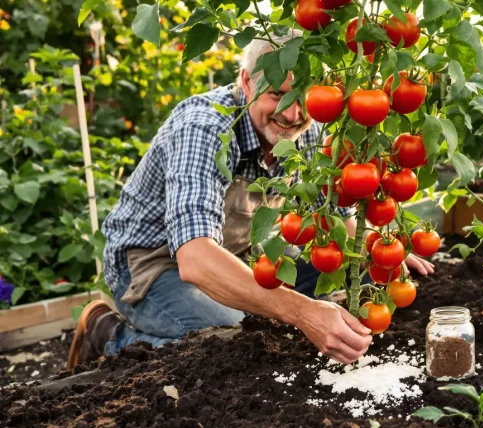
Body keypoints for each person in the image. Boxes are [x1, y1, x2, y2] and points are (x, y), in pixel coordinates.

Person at [67, 32, 435, 370]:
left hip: (238, 251)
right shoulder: (203, 127)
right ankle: (109, 334)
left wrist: (380, 256)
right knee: (237, 337)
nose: (292, 115)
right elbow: (194, 258)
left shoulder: (309, 125)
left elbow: (337, 214)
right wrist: (302, 312)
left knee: (303, 293)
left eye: (302, 96)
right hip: (152, 264)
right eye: (276, 94)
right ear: (245, 81)